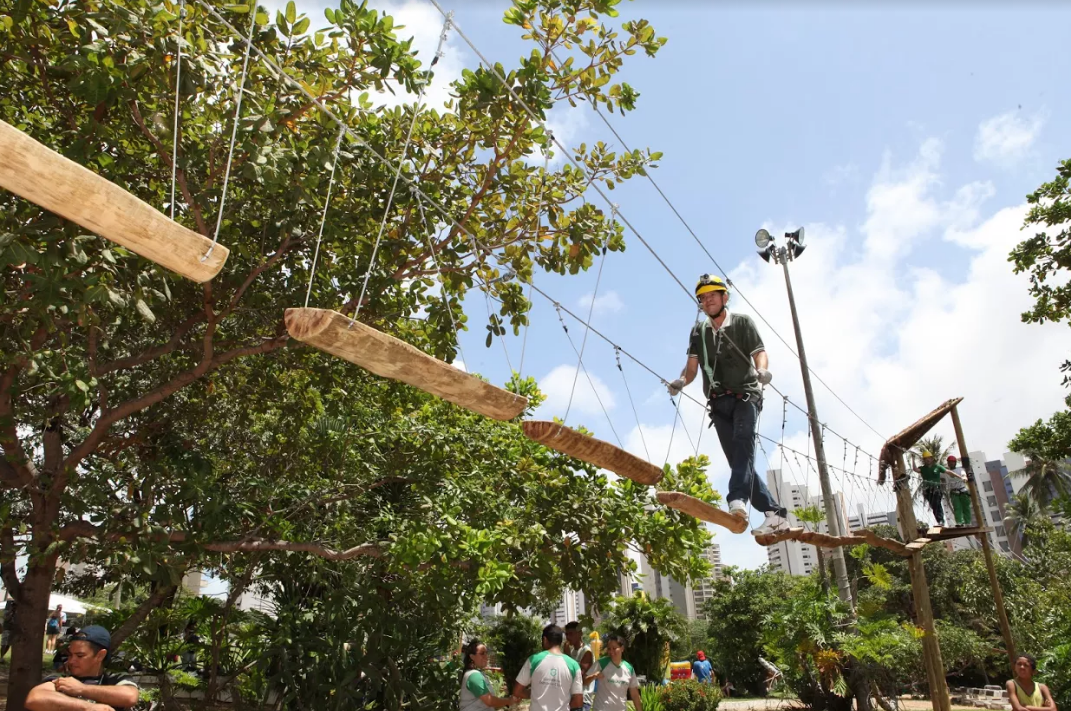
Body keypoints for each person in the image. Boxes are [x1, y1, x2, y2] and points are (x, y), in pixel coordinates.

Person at [668, 274, 788, 535]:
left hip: (745, 397)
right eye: (703, 298)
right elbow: (691, 369)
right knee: (737, 460)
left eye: (712, 295)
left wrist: (762, 371)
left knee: (743, 444)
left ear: (725, 297)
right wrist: (680, 382)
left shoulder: (742, 323)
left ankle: (737, 499)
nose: (707, 300)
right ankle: (774, 514)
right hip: (718, 402)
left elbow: (759, 352)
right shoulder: (698, 331)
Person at [26, 625, 140, 711]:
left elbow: (130, 696)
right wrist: (87, 707)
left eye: (80, 656)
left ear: (100, 655)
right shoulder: (62, 679)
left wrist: (82, 689)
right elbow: (35, 698)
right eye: (70, 655)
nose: (71, 661)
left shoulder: (116, 679)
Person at [513, 624, 583, 711]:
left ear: (545, 640)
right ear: (560, 641)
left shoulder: (534, 660)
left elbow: (517, 691)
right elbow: (578, 701)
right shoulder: (573, 665)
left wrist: (534, 692)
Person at [588, 634, 641, 711]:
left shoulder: (629, 668)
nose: (611, 651)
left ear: (622, 648)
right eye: (609, 649)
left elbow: (635, 695)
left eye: (614, 648)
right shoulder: (601, 663)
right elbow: (584, 681)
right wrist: (593, 676)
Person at [460, 638, 516, 710]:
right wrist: (509, 701)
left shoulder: (479, 674)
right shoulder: (474, 676)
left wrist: (507, 702)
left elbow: (491, 705)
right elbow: (490, 701)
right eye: (482, 653)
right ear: (472, 657)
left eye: (486, 653)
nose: (486, 656)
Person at [564, 622, 595, 711]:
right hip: (571, 699)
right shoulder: (573, 651)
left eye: (571, 634)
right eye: (566, 634)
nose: (568, 637)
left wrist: (567, 656)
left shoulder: (586, 652)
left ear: (579, 634)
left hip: (582, 701)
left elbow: (579, 677)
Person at [912, 451, 947, 527]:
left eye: (929, 459)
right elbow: (915, 469)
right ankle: (939, 521)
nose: (927, 460)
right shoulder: (923, 468)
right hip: (928, 490)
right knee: (933, 506)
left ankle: (941, 520)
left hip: (936, 489)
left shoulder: (937, 467)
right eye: (925, 459)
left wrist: (959, 477)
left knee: (937, 504)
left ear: (932, 459)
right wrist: (913, 459)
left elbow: (947, 471)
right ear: (924, 460)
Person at [944, 455, 973, 527]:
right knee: (957, 508)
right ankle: (959, 522)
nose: (951, 463)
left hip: (963, 491)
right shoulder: (945, 472)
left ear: (955, 463)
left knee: (966, 507)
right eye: (949, 462)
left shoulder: (960, 470)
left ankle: (968, 522)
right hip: (954, 492)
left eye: (952, 462)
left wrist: (964, 477)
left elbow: (963, 475)